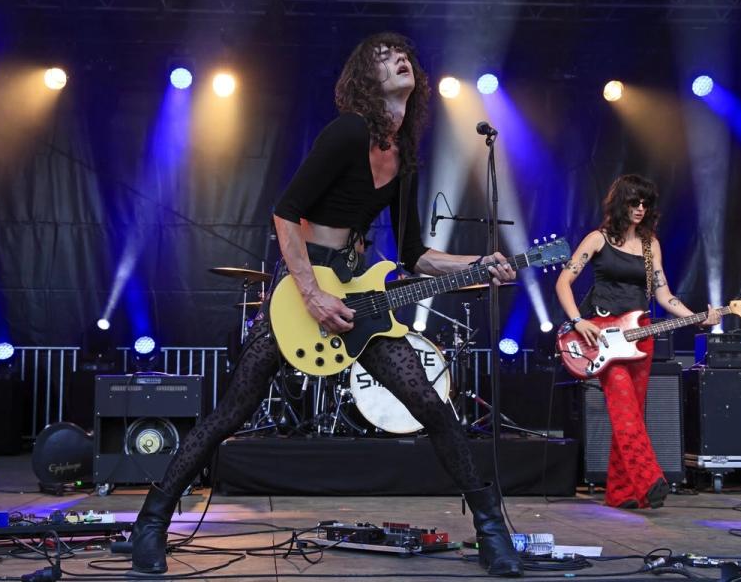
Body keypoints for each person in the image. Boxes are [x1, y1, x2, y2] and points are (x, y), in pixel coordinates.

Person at [129, 32, 523, 577]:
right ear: (366, 77)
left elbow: (414, 255)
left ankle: (491, 530)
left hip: (354, 293)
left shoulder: (405, 157)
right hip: (300, 288)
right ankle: (150, 523)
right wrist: (311, 294)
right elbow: (285, 212)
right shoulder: (348, 132)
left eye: (404, 55)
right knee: (232, 412)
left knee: (431, 404)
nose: (399, 60)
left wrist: (481, 263)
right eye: (385, 57)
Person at [554, 174, 720, 509]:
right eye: (634, 202)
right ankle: (649, 480)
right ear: (620, 203)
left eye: (645, 203)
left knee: (632, 414)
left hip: (640, 336)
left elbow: (663, 293)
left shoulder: (650, 245)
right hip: (602, 336)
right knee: (625, 410)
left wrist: (697, 316)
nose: (640, 208)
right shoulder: (598, 239)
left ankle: (621, 493)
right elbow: (563, 282)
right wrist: (578, 321)